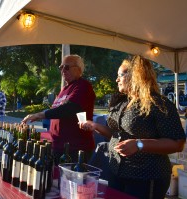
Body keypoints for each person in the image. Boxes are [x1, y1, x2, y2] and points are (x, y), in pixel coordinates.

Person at [79, 55, 186, 199]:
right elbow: (116, 135)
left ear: (136, 76)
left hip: (146, 177)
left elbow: (177, 143)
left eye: (120, 75)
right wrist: (95, 126)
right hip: (116, 172)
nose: (116, 80)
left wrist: (139, 144)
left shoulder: (159, 104)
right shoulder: (123, 102)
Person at [22, 54, 96, 164]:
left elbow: (69, 109)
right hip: (58, 146)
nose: (63, 70)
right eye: (61, 67)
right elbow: (57, 112)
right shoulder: (64, 89)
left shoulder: (83, 86)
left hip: (75, 149)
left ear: (79, 70)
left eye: (67, 67)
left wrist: (39, 114)